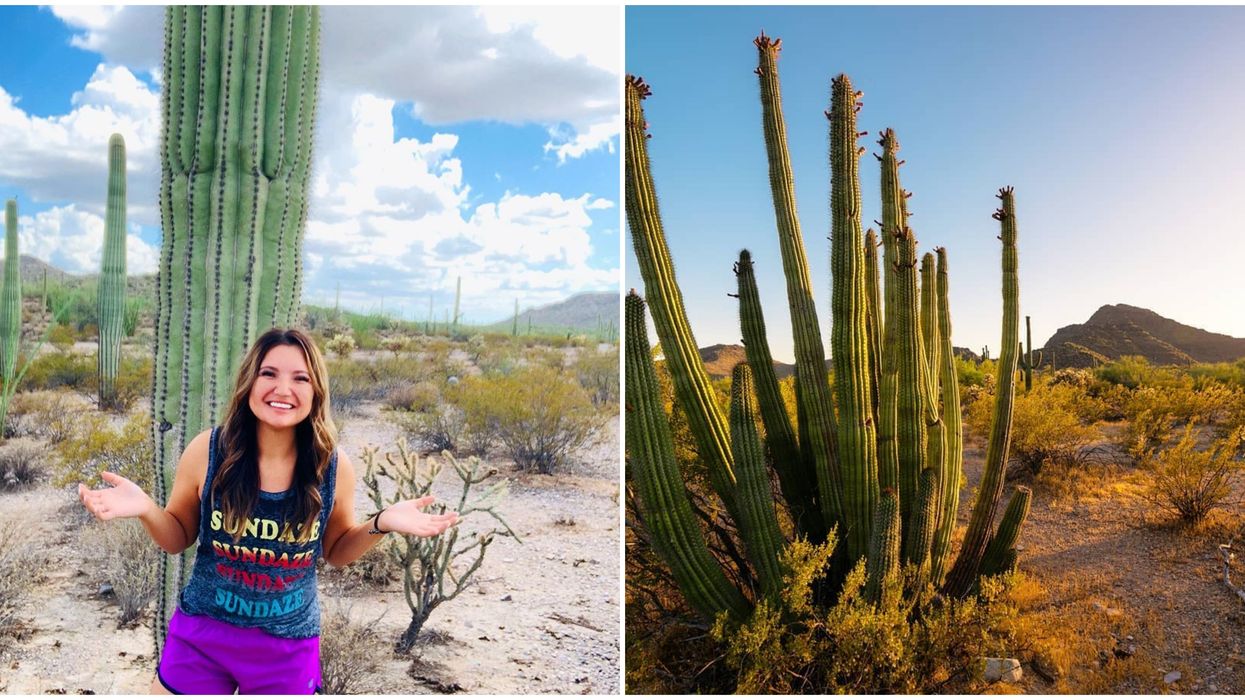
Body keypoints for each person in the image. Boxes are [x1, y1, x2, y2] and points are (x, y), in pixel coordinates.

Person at [78, 328, 459, 694]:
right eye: (269, 374)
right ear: (250, 383)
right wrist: (146, 508)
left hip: (287, 646)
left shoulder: (332, 466)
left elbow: (337, 551)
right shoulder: (208, 451)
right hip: (204, 634)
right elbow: (178, 536)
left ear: (316, 391)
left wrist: (381, 523)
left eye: (300, 378)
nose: (283, 389)